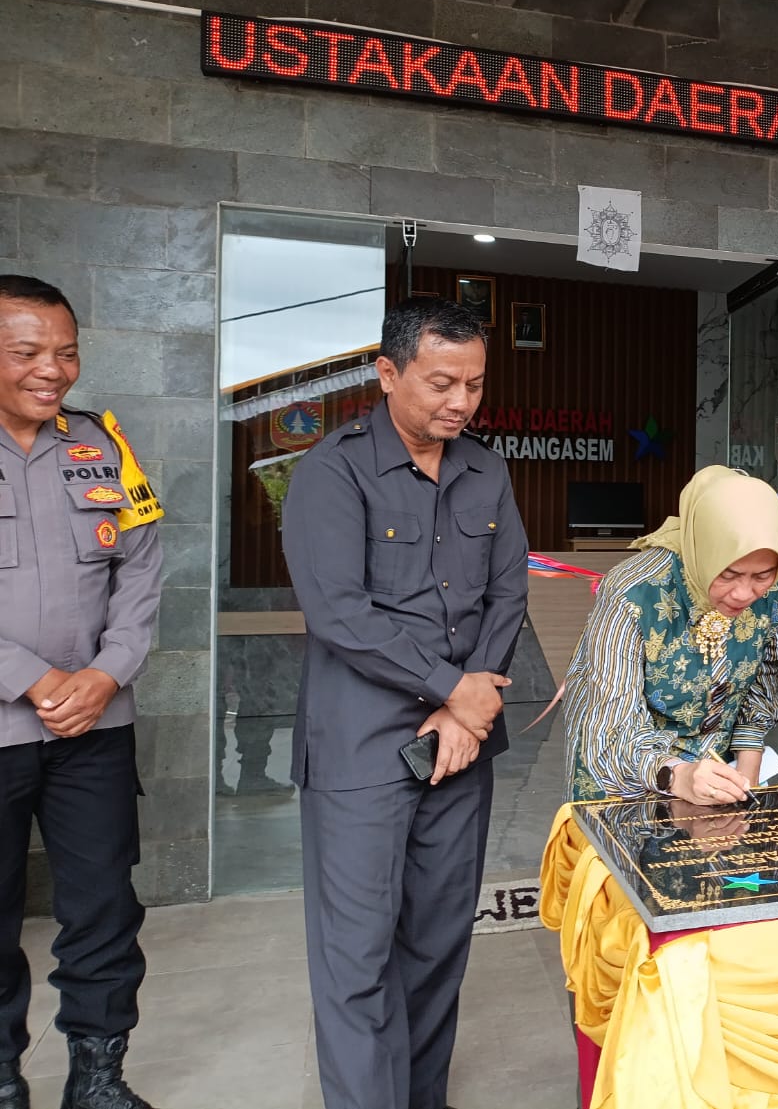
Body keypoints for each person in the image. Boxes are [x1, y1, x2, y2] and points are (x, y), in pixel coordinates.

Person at [281, 297, 529, 1109]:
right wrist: (452, 688)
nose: (460, 401)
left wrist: (469, 705)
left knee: (435, 942)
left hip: (460, 746)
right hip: (361, 745)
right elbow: (339, 613)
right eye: (440, 382)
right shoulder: (331, 470)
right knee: (356, 955)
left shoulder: (485, 468)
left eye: (475, 384)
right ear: (387, 375)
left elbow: (506, 592)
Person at [0, 275, 165, 1109]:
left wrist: (107, 672)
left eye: (64, 351)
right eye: (27, 351)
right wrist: (31, 678)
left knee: (102, 906)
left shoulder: (103, 441)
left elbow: (141, 570)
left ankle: (98, 1075)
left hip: (96, 725)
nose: (52, 369)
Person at [564, 464, 778, 804]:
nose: (745, 593)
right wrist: (677, 775)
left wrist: (747, 780)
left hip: (719, 781)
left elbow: (762, 684)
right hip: (625, 780)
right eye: (728, 574)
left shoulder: (777, 588)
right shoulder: (634, 592)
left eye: (761, 575)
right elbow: (611, 726)